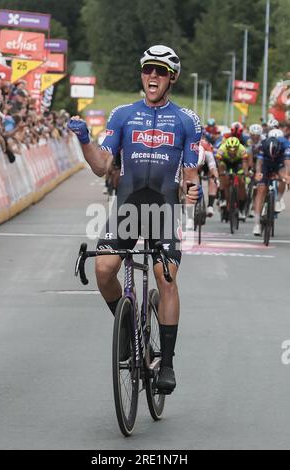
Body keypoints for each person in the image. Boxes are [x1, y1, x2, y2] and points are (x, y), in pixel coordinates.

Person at [68, 45, 203, 394]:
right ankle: (127, 329)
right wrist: (84, 140)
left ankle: (168, 363)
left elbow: (190, 174)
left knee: (166, 277)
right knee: (102, 270)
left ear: (172, 76)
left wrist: (192, 192)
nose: (152, 76)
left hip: (163, 209)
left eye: (160, 71)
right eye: (147, 70)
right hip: (127, 209)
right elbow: (102, 166)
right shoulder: (122, 115)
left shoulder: (186, 120)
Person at [253, 135, 290, 236]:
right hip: (266, 163)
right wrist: (258, 172)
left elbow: (287, 163)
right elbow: (259, 162)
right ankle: (256, 224)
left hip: (279, 163)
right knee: (261, 190)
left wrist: (287, 175)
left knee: (284, 176)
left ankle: (277, 199)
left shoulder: (285, 145)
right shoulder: (263, 145)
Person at [216, 136, 249, 221]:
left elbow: (245, 163)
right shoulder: (222, 148)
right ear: (226, 147)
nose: (232, 152)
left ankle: (241, 210)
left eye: (234, 150)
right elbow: (219, 162)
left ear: (238, 148)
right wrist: (220, 174)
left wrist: (245, 173)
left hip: (238, 163)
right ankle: (223, 197)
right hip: (226, 163)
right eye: (230, 150)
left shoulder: (242, 149)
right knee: (223, 175)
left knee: (241, 183)